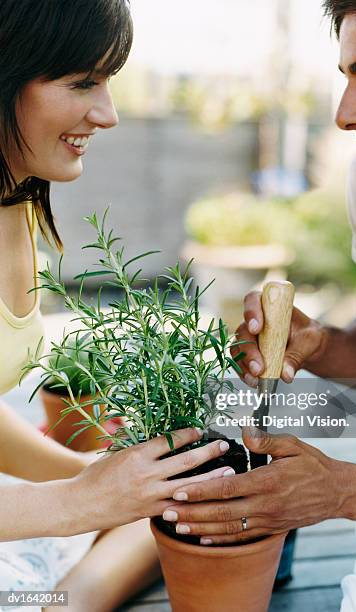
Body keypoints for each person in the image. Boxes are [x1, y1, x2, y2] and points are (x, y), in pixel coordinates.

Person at [160, 1, 356, 610]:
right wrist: (320, 344)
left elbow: (353, 490)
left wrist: (344, 489)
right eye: (346, 77)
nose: (346, 115)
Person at [0, 2, 233, 610]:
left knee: (171, 511)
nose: (107, 113)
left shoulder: (16, 204)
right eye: (82, 82)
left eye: (107, 82)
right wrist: (77, 501)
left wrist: (102, 480)